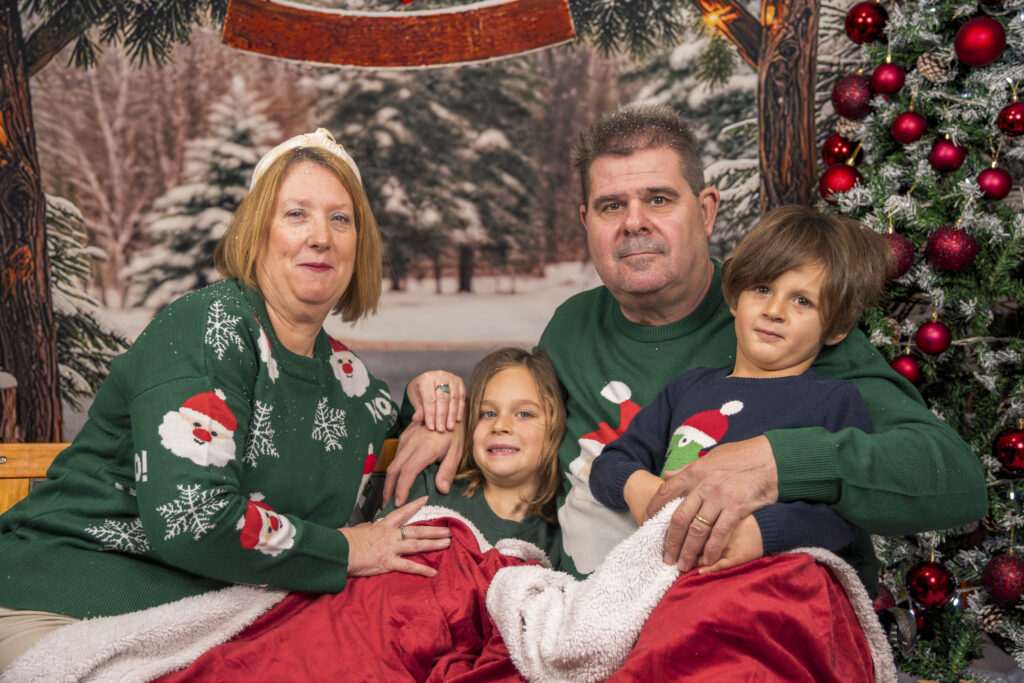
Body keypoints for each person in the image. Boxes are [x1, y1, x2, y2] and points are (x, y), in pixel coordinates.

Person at [384, 103, 987, 593]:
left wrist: (780, 463)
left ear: (706, 209)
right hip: (596, 614)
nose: (634, 222)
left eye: (659, 199)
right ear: (586, 221)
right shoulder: (571, 326)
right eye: (611, 206)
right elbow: (516, 415)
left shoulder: (778, 323)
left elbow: (954, 482)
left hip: (752, 609)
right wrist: (442, 404)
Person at [0, 128, 460, 670]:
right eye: (296, 214)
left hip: (210, 620)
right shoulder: (203, 328)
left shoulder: (346, 376)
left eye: (341, 218)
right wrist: (350, 548)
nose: (321, 237)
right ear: (256, 231)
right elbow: (192, 519)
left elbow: (393, 429)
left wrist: (434, 396)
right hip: (66, 603)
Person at [589, 205, 889, 588]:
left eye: (802, 301)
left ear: (836, 327)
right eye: (762, 289)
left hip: (765, 584)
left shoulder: (833, 400)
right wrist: (639, 487)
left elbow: (843, 511)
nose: (775, 311)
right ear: (734, 298)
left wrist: (759, 532)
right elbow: (611, 463)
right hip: (667, 576)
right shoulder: (689, 388)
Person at [379, 347, 563, 563]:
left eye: (524, 414)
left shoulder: (564, 529)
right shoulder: (430, 490)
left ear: (557, 427)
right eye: (488, 413)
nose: (500, 425)